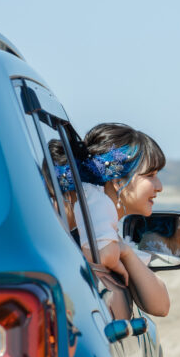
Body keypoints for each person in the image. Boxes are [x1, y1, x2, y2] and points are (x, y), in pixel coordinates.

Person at [54, 123, 171, 317]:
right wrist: (119, 253)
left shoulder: (94, 220)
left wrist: (125, 252)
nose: (159, 187)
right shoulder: (95, 207)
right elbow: (101, 255)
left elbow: (161, 306)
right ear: (117, 182)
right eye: (150, 176)